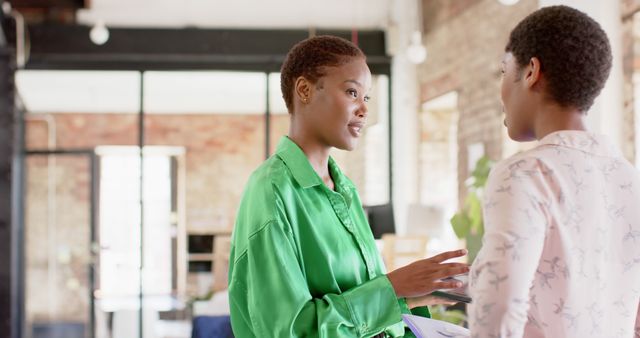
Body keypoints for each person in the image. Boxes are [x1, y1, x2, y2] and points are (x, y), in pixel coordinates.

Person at [228, 35, 469, 338]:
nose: (364, 109)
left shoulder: (345, 190)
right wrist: (392, 288)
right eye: (352, 92)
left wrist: (403, 299)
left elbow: (365, 310)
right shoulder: (271, 192)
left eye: (366, 98)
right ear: (304, 90)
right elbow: (290, 331)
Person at [469, 5, 640, 338]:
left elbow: (500, 311)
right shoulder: (630, 180)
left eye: (504, 71)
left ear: (532, 71)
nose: (501, 93)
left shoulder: (525, 174)